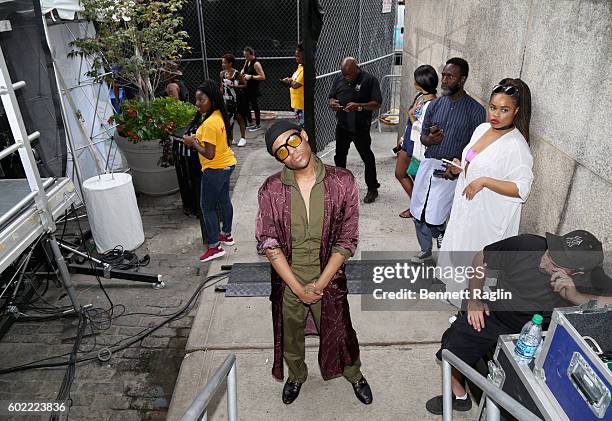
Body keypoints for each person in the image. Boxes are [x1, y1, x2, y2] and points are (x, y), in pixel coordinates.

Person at [425, 230, 609, 416]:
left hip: (538, 333)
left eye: (555, 264)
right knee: (452, 346)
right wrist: (475, 299)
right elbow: (481, 258)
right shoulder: (526, 245)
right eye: (549, 252)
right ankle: (459, 396)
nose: (544, 261)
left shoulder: (589, 277)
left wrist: (576, 296)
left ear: (577, 273)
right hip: (496, 314)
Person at [256, 120, 373, 406]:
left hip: (329, 277)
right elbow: (269, 243)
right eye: (281, 151)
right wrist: (297, 287)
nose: (291, 152)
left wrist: (319, 284)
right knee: (290, 334)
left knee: (341, 330)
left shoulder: (342, 181)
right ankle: (296, 375)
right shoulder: (271, 189)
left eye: (293, 141)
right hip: (288, 280)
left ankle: (354, 373)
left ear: (304, 136)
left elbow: (347, 240)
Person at [437, 79, 534, 304]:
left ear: (517, 110)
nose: (496, 114)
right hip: (467, 209)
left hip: (487, 218)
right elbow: (474, 160)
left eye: (504, 109)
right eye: (493, 107)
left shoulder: (517, 147)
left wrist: (484, 181)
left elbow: (522, 189)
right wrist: (460, 165)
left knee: (477, 263)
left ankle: (472, 310)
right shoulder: (482, 128)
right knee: (460, 254)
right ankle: (459, 301)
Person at [410, 57, 486, 263]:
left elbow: (477, 147)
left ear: (462, 79)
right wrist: (429, 139)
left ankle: (442, 238)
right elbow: (423, 136)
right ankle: (425, 250)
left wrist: (457, 164)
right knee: (418, 209)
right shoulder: (435, 105)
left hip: (451, 170)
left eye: (449, 76)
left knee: (436, 214)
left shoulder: (476, 111)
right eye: (443, 75)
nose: (443, 80)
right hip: (428, 163)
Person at [182, 80, 237, 263]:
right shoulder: (218, 114)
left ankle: (214, 247)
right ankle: (226, 234)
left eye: (201, 99)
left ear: (212, 99)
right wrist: (197, 138)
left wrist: (193, 142)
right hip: (227, 165)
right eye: (196, 99)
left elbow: (209, 154)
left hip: (215, 169)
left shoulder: (209, 123)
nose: (197, 103)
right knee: (223, 200)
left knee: (207, 207)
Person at [328, 57, 382, 203]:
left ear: (356, 68)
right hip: (343, 125)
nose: (346, 77)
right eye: (344, 74)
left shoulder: (370, 80)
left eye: (349, 74)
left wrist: (359, 106)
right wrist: (333, 103)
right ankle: (341, 186)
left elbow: (377, 103)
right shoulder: (339, 78)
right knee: (339, 156)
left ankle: (372, 188)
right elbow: (331, 97)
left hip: (360, 127)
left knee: (367, 157)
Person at [395, 65, 438, 218]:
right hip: (409, 141)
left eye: (415, 78)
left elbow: (423, 129)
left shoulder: (433, 103)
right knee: (402, 174)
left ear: (421, 82)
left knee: (411, 177)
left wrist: (411, 115)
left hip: (418, 146)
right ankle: (417, 207)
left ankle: (418, 208)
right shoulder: (420, 97)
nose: (413, 81)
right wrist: (403, 138)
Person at [220, 53, 248, 147]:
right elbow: (221, 86)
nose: (223, 65)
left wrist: (235, 86)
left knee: (239, 117)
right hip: (226, 98)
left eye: (224, 63)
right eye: (222, 63)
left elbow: (245, 84)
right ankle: (230, 138)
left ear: (230, 63)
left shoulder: (236, 74)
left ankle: (243, 138)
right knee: (228, 118)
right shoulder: (222, 74)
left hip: (237, 98)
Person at [241, 47, 266, 132]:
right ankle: (250, 122)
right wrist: (241, 73)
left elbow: (263, 77)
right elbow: (243, 70)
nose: (246, 58)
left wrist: (251, 76)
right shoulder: (247, 61)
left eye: (247, 56)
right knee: (246, 105)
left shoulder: (256, 64)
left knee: (254, 106)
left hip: (253, 88)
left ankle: (258, 124)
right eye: (245, 56)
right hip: (246, 87)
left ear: (252, 54)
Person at [281, 43, 305, 127]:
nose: (296, 58)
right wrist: (290, 80)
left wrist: (289, 81)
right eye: (296, 56)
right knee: (300, 124)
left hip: (301, 104)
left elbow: (296, 84)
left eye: (298, 56)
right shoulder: (300, 66)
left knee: (303, 126)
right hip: (296, 103)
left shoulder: (305, 70)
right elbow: (294, 79)